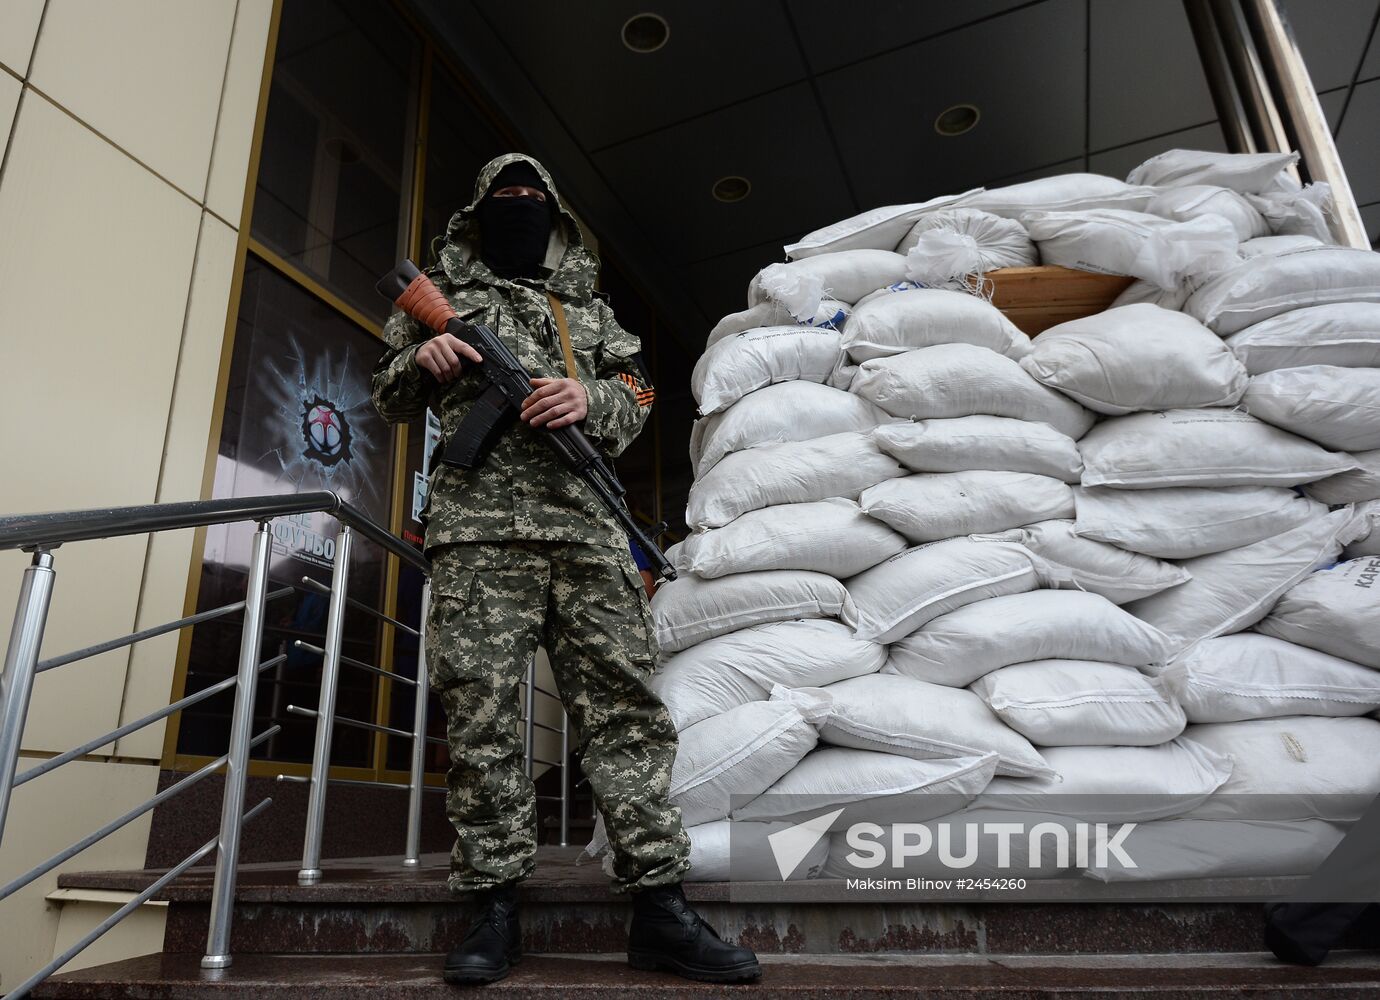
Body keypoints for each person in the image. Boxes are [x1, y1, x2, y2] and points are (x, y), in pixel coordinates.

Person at [371, 154, 760, 986]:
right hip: (479, 536)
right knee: (481, 713)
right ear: (478, 214)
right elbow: (388, 397)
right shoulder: (440, 294)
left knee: (624, 709)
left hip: (586, 531)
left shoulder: (587, 305)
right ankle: (494, 905)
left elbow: (643, 391)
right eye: (504, 201)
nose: (519, 210)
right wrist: (424, 362)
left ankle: (659, 904)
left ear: (555, 216)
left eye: (532, 201)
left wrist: (593, 402)